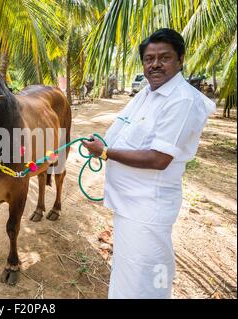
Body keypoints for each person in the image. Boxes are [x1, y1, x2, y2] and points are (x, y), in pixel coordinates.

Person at [83, 28, 215, 298]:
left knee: (146, 276)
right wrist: (103, 143)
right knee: (129, 272)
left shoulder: (182, 100)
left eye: (163, 57)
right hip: (130, 205)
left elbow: (159, 158)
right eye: (148, 58)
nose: (154, 64)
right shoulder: (148, 92)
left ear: (180, 59)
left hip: (147, 209)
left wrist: (105, 152)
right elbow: (125, 133)